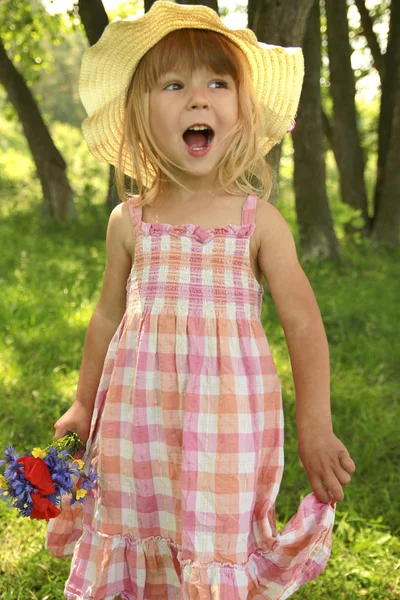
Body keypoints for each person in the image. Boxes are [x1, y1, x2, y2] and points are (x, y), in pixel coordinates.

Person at [46, 2, 356, 599]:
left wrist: (315, 421)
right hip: (136, 421)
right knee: (136, 517)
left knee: (212, 534)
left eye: (218, 82)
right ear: (142, 114)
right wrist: (84, 406)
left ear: (241, 112)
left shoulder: (257, 222)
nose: (198, 98)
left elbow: (303, 321)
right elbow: (108, 315)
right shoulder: (129, 221)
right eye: (174, 84)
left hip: (227, 424)